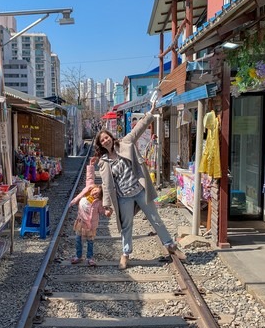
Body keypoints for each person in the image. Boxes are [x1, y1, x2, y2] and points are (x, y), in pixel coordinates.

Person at [95, 99, 184, 269]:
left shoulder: (126, 143)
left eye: (107, 138)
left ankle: (171, 246)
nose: (106, 141)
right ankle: (126, 254)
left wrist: (150, 113)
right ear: (100, 145)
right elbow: (107, 186)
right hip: (123, 198)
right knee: (126, 226)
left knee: (155, 219)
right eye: (102, 141)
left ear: (111, 138)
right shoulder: (103, 162)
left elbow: (139, 128)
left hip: (140, 191)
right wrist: (107, 206)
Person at [69, 157, 111, 266]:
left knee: (90, 242)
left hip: (91, 225)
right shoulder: (87, 191)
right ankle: (78, 256)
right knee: (78, 240)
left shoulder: (98, 203)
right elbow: (90, 177)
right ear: (92, 188)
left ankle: (90, 257)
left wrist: (107, 212)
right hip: (80, 223)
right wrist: (91, 165)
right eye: (94, 191)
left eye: (97, 194)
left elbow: (102, 210)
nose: (94, 193)